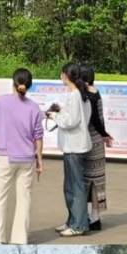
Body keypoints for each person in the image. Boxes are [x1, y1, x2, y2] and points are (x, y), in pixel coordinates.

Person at [0, 68, 44, 245]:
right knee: (24, 199)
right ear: (29, 85)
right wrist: (39, 160)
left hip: (5, 157)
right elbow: (38, 136)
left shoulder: (1, 102)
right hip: (27, 158)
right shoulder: (34, 107)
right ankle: (20, 239)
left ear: (13, 82)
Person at [50, 62, 93, 236]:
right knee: (71, 187)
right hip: (73, 146)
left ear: (66, 76)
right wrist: (61, 110)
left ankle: (78, 225)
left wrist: (55, 116)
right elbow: (78, 116)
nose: (61, 77)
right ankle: (72, 221)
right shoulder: (80, 94)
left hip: (74, 147)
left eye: (62, 74)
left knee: (75, 187)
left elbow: (71, 121)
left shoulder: (75, 95)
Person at [79, 63, 113, 232]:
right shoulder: (95, 92)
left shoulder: (88, 96)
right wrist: (104, 135)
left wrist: (104, 133)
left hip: (90, 141)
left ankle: (90, 216)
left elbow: (95, 120)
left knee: (89, 180)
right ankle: (95, 216)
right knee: (96, 181)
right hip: (97, 141)